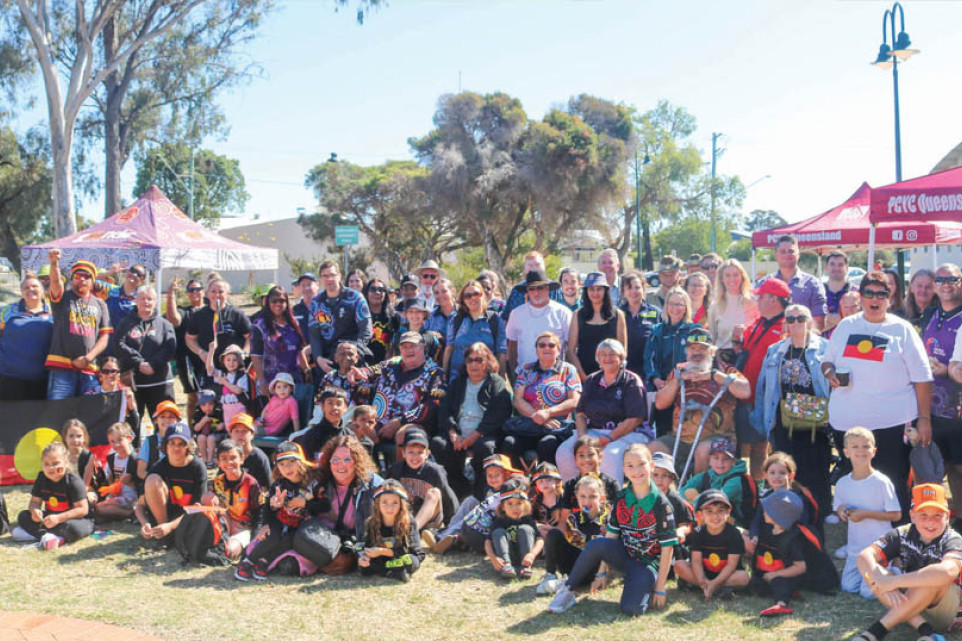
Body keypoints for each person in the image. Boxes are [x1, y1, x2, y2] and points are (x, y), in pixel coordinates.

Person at [822, 270, 933, 522]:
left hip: (892, 424)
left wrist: (924, 418)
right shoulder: (847, 326)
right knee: (858, 483)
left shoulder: (902, 330)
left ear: (890, 298)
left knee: (892, 485)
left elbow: (923, 378)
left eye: (881, 294)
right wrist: (829, 373)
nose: (875, 299)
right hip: (848, 425)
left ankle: (898, 543)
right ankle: (862, 541)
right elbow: (827, 361)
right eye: (869, 293)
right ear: (860, 297)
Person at [548, 443, 676, 616]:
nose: (636, 470)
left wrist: (660, 587)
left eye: (641, 464)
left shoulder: (661, 503)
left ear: (651, 466)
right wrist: (601, 573)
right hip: (624, 556)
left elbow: (668, 548)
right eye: (630, 465)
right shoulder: (621, 498)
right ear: (624, 469)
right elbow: (611, 535)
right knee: (598, 544)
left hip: (647, 564)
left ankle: (643, 583)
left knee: (632, 610)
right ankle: (568, 590)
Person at [855, 483, 962, 641]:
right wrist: (883, 580)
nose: (930, 522)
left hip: (945, 611)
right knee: (877, 574)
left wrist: (893, 582)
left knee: (932, 576)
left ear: (947, 516)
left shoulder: (953, 539)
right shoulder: (902, 533)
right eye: (923, 515)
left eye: (937, 515)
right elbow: (864, 556)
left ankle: (875, 632)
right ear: (912, 516)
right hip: (912, 604)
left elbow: (948, 572)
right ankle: (926, 631)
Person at [754, 303, 832, 515]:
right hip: (783, 415)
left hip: (817, 415)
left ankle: (822, 510)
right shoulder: (775, 351)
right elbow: (764, 389)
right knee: (786, 464)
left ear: (809, 321)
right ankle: (788, 508)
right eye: (790, 319)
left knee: (817, 464)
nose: (796, 323)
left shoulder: (825, 348)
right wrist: (763, 419)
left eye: (800, 318)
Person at [650, 328, 751, 477]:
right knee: (654, 448)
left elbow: (745, 391)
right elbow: (660, 403)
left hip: (719, 437)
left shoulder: (725, 369)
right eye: (692, 348)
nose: (697, 353)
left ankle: (696, 493)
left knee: (703, 450)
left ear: (712, 351)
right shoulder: (679, 370)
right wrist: (677, 381)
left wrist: (714, 376)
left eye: (702, 348)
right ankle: (663, 493)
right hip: (681, 438)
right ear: (686, 352)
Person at [556, 339, 649, 484]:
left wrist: (607, 439)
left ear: (621, 358)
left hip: (627, 434)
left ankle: (610, 501)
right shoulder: (592, 380)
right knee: (564, 452)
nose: (607, 358)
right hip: (593, 432)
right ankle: (574, 496)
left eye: (612, 354)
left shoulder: (631, 381)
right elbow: (580, 414)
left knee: (609, 456)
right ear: (598, 359)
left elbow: (635, 419)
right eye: (603, 354)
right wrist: (583, 439)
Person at [291, 435, 382, 573]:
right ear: (328, 461)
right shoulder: (318, 480)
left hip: (354, 542)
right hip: (321, 538)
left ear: (357, 461)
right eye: (335, 460)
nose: (341, 464)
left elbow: (393, 497)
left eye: (347, 459)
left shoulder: (370, 484)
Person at [433, 342, 512, 498]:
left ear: (487, 362)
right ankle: (459, 489)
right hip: (459, 432)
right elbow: (445, 409)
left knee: (486, 448)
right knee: (438, 444)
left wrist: (475, 435)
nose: (474, 364)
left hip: (484, 433)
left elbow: (499, 413)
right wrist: (452, 431)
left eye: (479, 360)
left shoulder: (496, 382)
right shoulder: (458, 382)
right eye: (470, 360)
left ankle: (480, 493)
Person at [234, 441, 320, 580]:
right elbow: (267, 508)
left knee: (291, 539)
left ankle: (265, 561)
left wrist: (306, 503)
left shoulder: (312, 483)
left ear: (301, 462)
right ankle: (248, 562)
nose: (287, 467)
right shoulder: (278, 485)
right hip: (279, 521)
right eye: (282, 464)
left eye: (292, 461)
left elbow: (325, 505)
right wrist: (270, 514)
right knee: (271, 536)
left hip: (301, 525)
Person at [833, 427, 901, 600]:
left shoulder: (881, 481)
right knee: (848, 587)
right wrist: (842, 511)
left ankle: (894, 568)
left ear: (874, 451)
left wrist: (867, 514)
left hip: (878, 548)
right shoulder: (842, 483)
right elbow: (839, 507)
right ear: (846, 452)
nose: (861, 451)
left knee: (868, 593)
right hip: (856, 547)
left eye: (866, 446)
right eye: (855, 446)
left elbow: (896, 515)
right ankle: (876, 574)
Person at [736, 277, 791, 480]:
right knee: (745, 447)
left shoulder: (787, 325)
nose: (756, 300)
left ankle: (761, 488)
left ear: (773, 299)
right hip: (747, 395)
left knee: (761, 448)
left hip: (769, 399)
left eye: (760, 297)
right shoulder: (758, 322)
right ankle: (749, 489)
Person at [505, 332, 581, 469]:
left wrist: (548, 413)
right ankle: (516, 484)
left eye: (551, 345)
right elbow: (517, 399)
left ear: (558, 350)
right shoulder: (527, 370)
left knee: (547, 444)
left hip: (557, 427)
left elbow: (574, 401)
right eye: (542, 345)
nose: (547, 348)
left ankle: (549, 484)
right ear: (537, 349)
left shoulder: (568, 370)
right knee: (509, 443)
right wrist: (538, 416)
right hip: (529, 425)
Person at [920, 265, 962, 515]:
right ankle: (946, 517)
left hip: (957, 407)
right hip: (931, 405)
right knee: (939, 465)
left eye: (952, 279)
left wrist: (945, 369)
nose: (946, 284)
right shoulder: (931, 314)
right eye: (942, 279)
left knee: (959, 468)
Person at [369, 331, 445, 464]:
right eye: (404, 347)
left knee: (404, 435)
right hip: (380, 421)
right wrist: (357, 375)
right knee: (357, 427)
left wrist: (400, 422)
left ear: (422, 346)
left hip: (413, 424)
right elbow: (369, 373)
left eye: (413, 346)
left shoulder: (435, 373)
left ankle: (400, 477)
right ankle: (367, 477)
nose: (408, 350)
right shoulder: (390, 365)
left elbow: (432, 405)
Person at [45, 250, 112, 399]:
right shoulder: (63, 298)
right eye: (77, 276)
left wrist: (87, 358)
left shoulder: (101, 305)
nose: (81, 279)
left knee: (90, 413)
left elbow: (104, 337)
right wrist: (54, 263)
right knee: (57, 412)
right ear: (72, 279)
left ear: (93, 280)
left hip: (89, 370)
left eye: (86, 276)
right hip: (61, 368)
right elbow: (55, 282)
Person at [537, 474, 609, 595]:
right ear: (576, 497)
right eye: (582, 496)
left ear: (601, 498)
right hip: (574, 563)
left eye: (592, 496)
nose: (587, 501)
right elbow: (571, 544)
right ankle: (551, 575)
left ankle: (566, 582)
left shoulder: (609, 519)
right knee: (554, 534)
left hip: (595, 567)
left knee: (596, 549)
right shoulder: (573, 518)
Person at [13, 441, 93, 549]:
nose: (51, 468)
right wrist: (35, 511)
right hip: (50, 519)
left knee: (74, 529)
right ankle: (50, 537)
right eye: (46, 464)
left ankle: (43, 535)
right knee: (23, 516)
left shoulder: (73, 481)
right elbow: (34, 502)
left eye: (55, 463)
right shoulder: (42, 478)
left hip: (73, 520)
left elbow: (83, 510)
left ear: (65, 463)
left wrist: (59, 518)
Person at [115, 286, 176, 426]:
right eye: (142, 298)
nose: (146, 302)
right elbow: (119, 344)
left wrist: (153, 364)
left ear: (155, 301)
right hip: (135, 383)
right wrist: (139, 363)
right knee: (131, 424)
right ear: (136, 300)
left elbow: (170, 348)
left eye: (150, 299)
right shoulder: (126, 323)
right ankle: (135, 448)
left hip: (160, 382)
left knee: (165, 423)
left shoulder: (165, 324)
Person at [137, 423, 207, 544]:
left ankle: (171, 533)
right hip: (163, 519)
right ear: (165, 445)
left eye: (181, 444)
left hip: (187, 519)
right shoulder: (159, 467)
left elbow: (198, 507)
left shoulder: (198, 467)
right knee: (152, 480)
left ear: (188, 446)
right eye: (172, 443)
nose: (176, 448)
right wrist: (144, 523)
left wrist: (171, 526)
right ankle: (163, 535)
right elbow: (139, 505)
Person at [675, 488, 750, 600]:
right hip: (702, 573)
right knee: (679, 565)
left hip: (726, 575)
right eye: (709, 511)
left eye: (720, 511)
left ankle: (709, 587)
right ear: (700, 515)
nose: (715, 516)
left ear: (728, 512)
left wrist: (714, 583)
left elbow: (731, 565)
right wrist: (701, 580)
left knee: (743, 578)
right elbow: (696, 561)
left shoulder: (734, 534)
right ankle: (709, 588)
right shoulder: (698, 532)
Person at [643, 287, 699, 437]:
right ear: (666, 306)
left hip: (686, 389)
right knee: (664, 430)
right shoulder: (657, 331)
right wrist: (656, 379)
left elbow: (697, 360)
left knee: (686, 431)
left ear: (686, 307)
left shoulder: (694, 331)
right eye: (672, 304)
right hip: (662, 388)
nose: (675, 308)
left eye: (679, 304)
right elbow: (649, 358)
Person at [198, 439, 264, 563]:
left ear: (242, 459)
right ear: (218, 462)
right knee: (207, 497)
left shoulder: (251, 483)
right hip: (224, 525)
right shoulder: (216, 482)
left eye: (233, 457)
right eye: (224, 458)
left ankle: (226, 548)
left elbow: (259, 515)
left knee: (229, 551)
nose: (229, 462)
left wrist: (254, 542)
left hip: (244, 528)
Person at [388, 427, 457, 538]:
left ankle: (412, 531)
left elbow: (447, 496)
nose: (415, 457)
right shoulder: (396, 469)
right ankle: (401, 530)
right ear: (403, 452)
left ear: (427, 454)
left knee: (434, 492)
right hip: (404, 517)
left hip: (429, 520)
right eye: (411, 452)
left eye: (420, 452)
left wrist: (453, 525)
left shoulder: (435, 471)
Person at [185, 278, 251, 390]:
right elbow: (190, 339)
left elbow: (251, 337)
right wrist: (200, 352)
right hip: (210, 369)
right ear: (207, 293)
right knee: (210, 405)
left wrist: (244, 353)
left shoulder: (236, 314)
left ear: (227, 293)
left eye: (221, 292)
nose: (217, 295)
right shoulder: (199, 315)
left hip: (233, 369)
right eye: (213, 291)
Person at [750, 489, 807, 618]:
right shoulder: (766, 529)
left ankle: (781, 604)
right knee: (756, 586)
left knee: (779, 582)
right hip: (766, 574)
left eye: (767, 510)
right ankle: (791, 593)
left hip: (784, 575)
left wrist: (775, 574)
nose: (763, 512)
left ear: (778, 515)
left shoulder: (791, 539)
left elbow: (800, 567)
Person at [505, 270, 573, 376]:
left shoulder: (563, 313)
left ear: (547, 289)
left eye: (540, 288)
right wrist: (515, 372)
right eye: (532, 289)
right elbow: (512, 346)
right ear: (527, 291)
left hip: (555, 376)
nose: (536, 292)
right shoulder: (516, 314)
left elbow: (570, 347)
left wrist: (566, 374)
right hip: (524, 376)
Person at [309, 260, 372, 374]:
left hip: (353, 359)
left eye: (332, 275)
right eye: (325, 276)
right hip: (327, 361)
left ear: (339, 276)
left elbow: (366, 329)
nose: (329, 279)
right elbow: (314, 335)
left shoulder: (355, 297)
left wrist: (354, 353)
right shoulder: (316, 303)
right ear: (321, 279)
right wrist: (318, 358)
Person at [357, 479, 424, 582]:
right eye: (384, 502)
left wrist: (383, 551)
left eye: (395, 503)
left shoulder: (409, 522)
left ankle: (389, 570)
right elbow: (368, 545)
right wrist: (365, 557)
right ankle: (394, 571)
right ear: (377, 504)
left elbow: (415, 551)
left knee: (411, 560)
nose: (389, 507)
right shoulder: (372, 523)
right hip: (381, 558)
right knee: (365, 567)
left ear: (401, 504)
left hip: (401, 557)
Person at [250, 285, 308, 401]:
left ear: (286, 302)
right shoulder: (259, 325)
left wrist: (306, 370)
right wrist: (261, 381)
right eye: (274, 301)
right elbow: (256, 356)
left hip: (294, 380)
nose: (278, 304)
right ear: (268, 302)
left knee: (296, 416)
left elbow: (301, 349)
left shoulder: (294, 323)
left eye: (281, 300)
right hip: (272, 382)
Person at [566, 272, 627, 381]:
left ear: (605, 291)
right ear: (586, 292)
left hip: (611, 376)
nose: (595, 293)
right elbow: (570, 350)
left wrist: (610, 375)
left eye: (599, 289)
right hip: (584, 376)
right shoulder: (578, 314)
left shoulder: (618, 315)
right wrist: (582, 376)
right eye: (591, 289)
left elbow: (622, 350)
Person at [0, 275, 52, 400]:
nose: (30, 289)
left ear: (43, 291)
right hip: (8, 377)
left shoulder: (53, 312)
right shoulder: (6, 311)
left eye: (35, 286)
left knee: (37, 419)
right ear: (22, 292)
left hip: (42, 379)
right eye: (26, 287)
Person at [758, 235, 827, 329]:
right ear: (776, 255)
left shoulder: (812, 284)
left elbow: (819, 321)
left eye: (791, 251)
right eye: (783, 251)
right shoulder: (764, 283)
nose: (787, 254)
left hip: (802, 340)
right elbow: (755, 315)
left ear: (798, 255)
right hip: (769, 341)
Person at [681, 436, 753, 527]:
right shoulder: (706, 475)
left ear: (733, 461)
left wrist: (692, 505)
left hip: (736, 523)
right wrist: (685, 502)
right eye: (716, 458)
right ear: (710, 459)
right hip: (711, 518)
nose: (720, 463)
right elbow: (683, 491)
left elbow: (715, 501)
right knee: (689, 493)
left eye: (725, 459)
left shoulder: (736, 481)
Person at [443, 280, 507, 377]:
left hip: (486, 381)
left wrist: (500, 380)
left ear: (482, 295)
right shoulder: (456, 320)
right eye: (467, 296)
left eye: (476, 294)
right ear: (463, 300)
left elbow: (501, 353)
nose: (472, 298)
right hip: (457, 380)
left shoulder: (494, 320)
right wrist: (444, 376)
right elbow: (448, 349)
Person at [166, 277, 206, 424]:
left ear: (203, 291)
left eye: (197, 289)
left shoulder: (211, 309)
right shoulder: (185, 311)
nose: (194, 292)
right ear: (188, 293)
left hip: (209, 358)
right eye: (191, 290)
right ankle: (191, 431)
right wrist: (170, 294)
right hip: (188, 360)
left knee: (211, 396)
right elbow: (173, 319)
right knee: (193, 397)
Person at [485, 483, 544, 579]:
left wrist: (532, 554)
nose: (515, 508)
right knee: (498, 532)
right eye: (509, 503)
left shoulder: (527, 519)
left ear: (525, 505)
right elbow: (488, 541)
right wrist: (493, 558)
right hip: (507, 553)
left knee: (526, 529)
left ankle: (525, 567)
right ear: (503, 506)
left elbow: (540, 540)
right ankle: (507, 565)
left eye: (519, 503)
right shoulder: (499, 520)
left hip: (525, 556)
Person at [708, 258, 758, 366]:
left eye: (735, 275)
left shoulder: (753, 302)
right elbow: (712, 338)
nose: (732, 279)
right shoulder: (715, 306)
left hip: (749, 359)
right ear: (722, 278)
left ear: (742, 277)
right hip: (723, 362)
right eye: (728, 275)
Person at [93, 422, 139, 523]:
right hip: (118, 496)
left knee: (99, 509)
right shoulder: (112, 459)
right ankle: (119, 514)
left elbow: (142, 485)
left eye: (120, 440)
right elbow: (110, 477)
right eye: (112, 441)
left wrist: (130, 483)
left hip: (132, 498)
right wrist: (112, 488)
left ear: (130, 439)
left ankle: (133, 514)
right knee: (96, 507)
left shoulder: (135, 459)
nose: (116, 444)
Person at [501, 251, 565, 323]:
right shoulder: (517, 290)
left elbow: (562, 313)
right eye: (530, 265)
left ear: (544, 266)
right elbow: (507, 317)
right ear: (525, 268)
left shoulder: (554, 289)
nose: (534, 267)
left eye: (537, 264)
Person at [294, 386, 353, 462]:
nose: (334, 407)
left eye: (338, 404)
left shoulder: (350, 436)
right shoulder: (312, 436)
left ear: (345, 408)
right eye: (330, 403)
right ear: (322, 406)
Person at [619, 271, 660, 378]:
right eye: (629, 288)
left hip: (649, 372)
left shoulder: (656, 313)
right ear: (623, 291)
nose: (634, 291)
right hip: (623, 372)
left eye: (637, 287)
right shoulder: (616, 314)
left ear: (643, 289)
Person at [206, 343, 250, 428]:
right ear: (223, 361)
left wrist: (225, 383)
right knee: (229, 429)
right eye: (228, 360)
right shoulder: (223, 374)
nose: (231, 363)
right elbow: (210, 369)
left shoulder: (242, 375)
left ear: (240, 361)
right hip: (226, 408)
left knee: (239, 427)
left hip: (239, 407)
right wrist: (211, 351)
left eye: (235, 360)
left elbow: (238, 390)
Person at [227, 413, 272, 489]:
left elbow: (267, 486)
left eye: (244, 431)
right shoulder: (228, 456)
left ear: (252, 434)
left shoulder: (259, 457)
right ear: (230, 434)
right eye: (236, 431)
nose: (240, 434)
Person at [363, 277, 400, 363]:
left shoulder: (394, 317)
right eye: (373, 289)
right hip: (364, 365)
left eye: (381, 290)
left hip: (386, 365)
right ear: (367, 293)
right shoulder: (360, 316)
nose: (377, 292)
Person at [393, 297, 441, 363]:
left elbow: (436, 359)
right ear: (406, 314)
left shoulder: (431, 337)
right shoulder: (398, 335)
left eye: (418, 311)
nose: (414, 315)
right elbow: (393, 357)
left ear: (424, 314)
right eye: (411, 311)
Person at [100, 263, 146, 329]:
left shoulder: (143, 297)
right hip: (110, 336)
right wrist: (108, 273)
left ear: (142, 280)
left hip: (132, 337)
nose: (134, 275)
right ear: (127, 271)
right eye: (133, 270)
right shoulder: (109, 290)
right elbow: (88, 280)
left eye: (139, 274)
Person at [258, 372, 301, 438]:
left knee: (247, 429)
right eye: (278, 387)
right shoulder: (274, 398)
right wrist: (261, 419)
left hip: (270, 430)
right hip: (262, 424)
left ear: (291, 388)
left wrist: (296, 435)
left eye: (285, 387)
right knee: (243, 425)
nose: (282, 390)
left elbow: (295, 419)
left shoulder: (291, 401)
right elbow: (265, 410)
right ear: (275, 390)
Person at [193, 389, 225, 466]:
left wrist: (219, 426)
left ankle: (210, 460)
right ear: (199, 406)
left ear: (215, 404)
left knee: (211, 438)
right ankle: (204, 459)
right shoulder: (198, 414)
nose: (207, 407)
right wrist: (202, 421)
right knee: (201, 437)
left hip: (217, 435)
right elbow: (196, 428)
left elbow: (222, 425)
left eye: (210, 404)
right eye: (203, 405)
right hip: (203, 434)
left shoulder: (218, 412)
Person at [426, 277, 458, 352]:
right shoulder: (431, 316)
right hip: (436, 359)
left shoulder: (463, 313)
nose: (440, 295)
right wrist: (430, 334)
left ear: (453, 291)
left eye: (444, 291)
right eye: (436, 293)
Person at [823, 250, 852, 332]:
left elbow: (858, 320)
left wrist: (827, 318)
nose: (836, 268)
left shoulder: (856, 292)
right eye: (832, 264)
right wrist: (842, 318)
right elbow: (814, 323)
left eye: (840, 265)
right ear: (826, 267)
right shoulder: (817, 291)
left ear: (847, 268)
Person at [290, 273, 319, 341]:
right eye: (303, 285)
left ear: (317, 285)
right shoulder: (295, 310)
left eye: (309, 285)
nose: (306, 288)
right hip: (302, 350)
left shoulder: (325, 307)